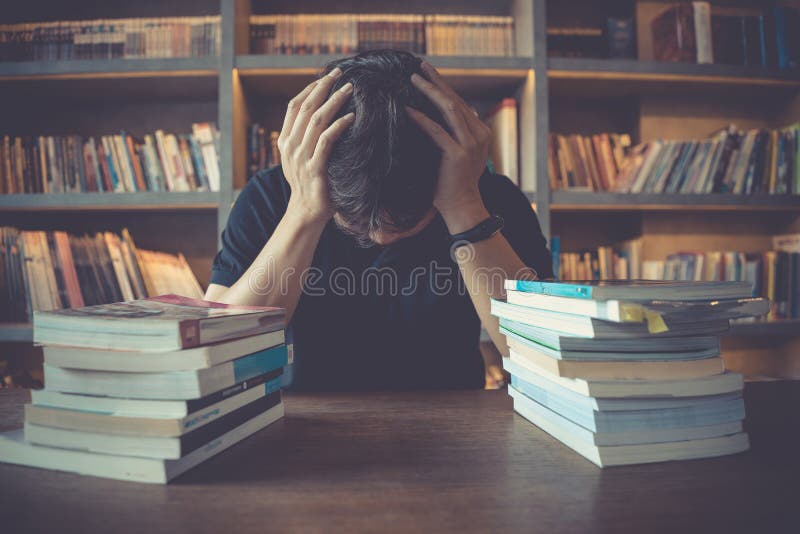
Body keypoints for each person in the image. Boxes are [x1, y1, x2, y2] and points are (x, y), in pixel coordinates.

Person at [205, 50, 552, 391]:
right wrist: (303, 212)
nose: (381, 237)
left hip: (455, 421)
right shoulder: (270, 196)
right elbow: (220, 356)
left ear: (445, 171)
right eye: (355, 220)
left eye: (406, 221)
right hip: (301, 423)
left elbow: (544, 360)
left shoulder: (490, 199)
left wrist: (464, 206)